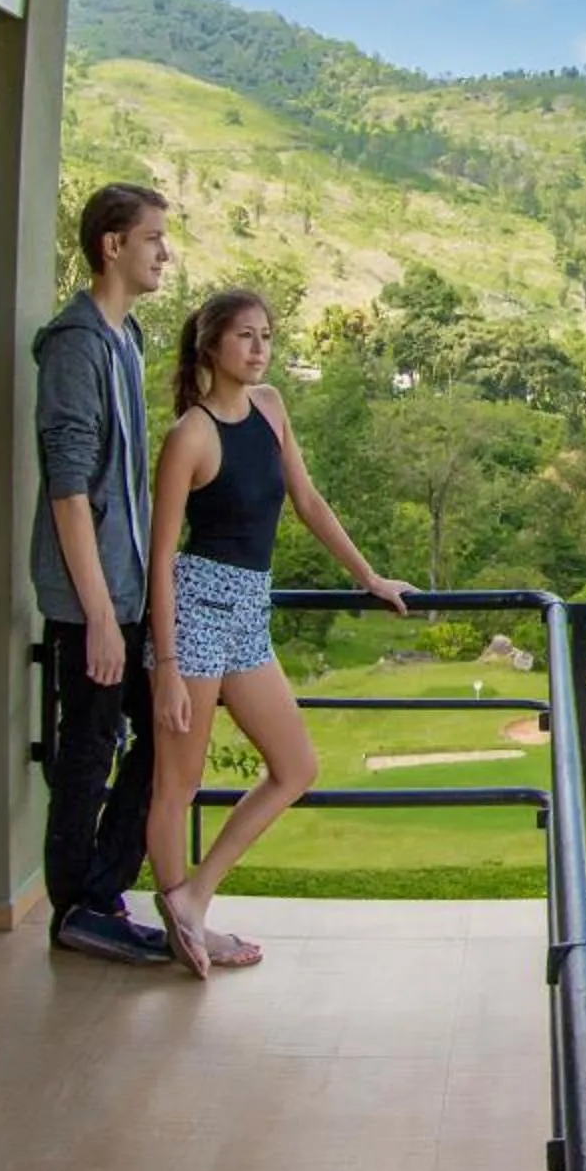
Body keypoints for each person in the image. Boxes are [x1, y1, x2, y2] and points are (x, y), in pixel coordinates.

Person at [143, 288, 411, 977]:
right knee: (178, 784)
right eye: (245, 337)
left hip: (248, 619)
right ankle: (184, 929)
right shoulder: (190, 436)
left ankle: (194, 899)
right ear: (211, 346)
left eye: (267, 336)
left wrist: (369, 576)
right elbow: (161, 555)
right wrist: (168, 663)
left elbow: (309, 501)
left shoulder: (271, 409)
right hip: (196, 617)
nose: (260, 349)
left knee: (296, 767)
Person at [31, 182, 174, 965]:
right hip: (92, 600)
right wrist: (96, 616)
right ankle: (77, 909)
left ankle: (101, 890)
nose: (164, 252)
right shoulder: (76, 345)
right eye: (153, 238)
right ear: (112, 245)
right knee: (86, 754)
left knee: (160, 734)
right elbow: (68, 487)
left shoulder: (128, 340)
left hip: (125, 592)